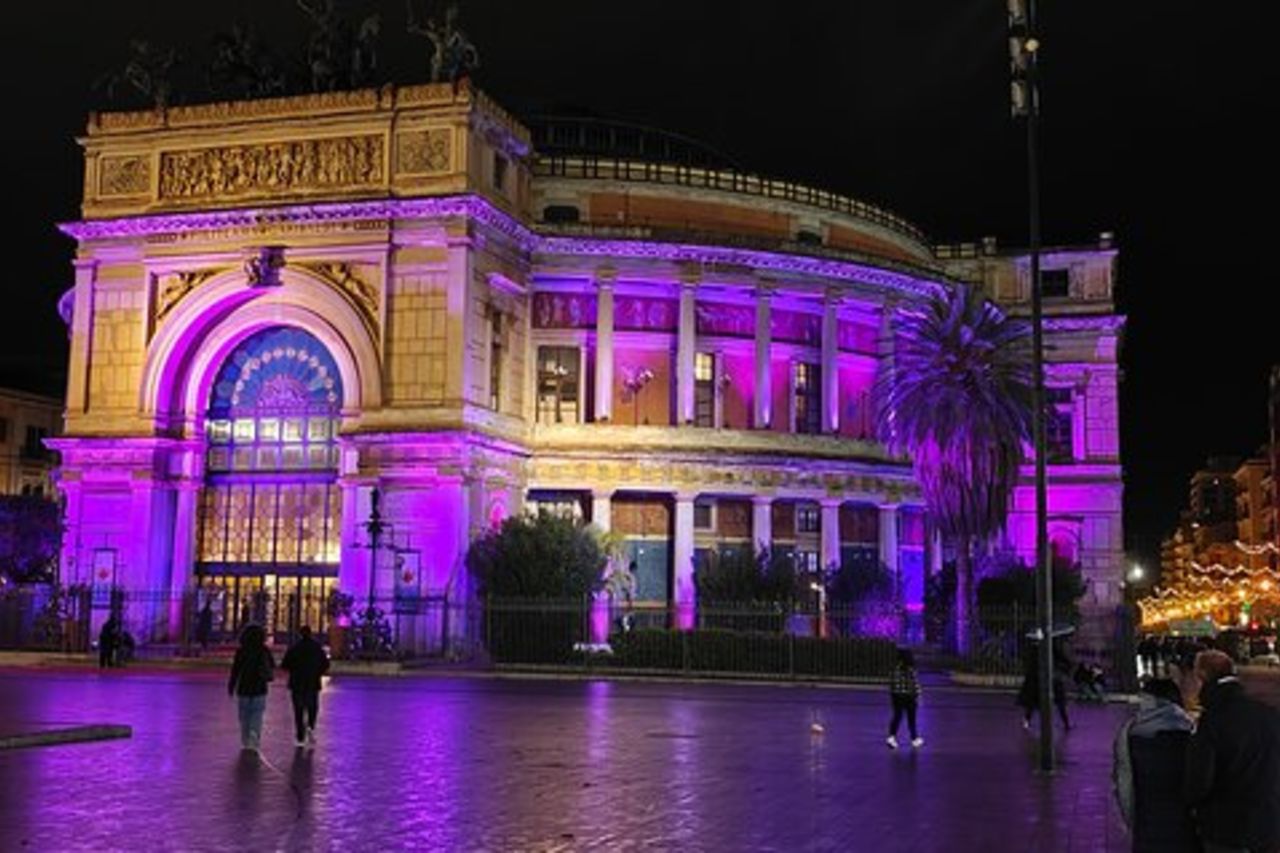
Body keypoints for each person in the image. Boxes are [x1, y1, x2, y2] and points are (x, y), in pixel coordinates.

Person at [1184, 650, 1280, 853]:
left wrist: (1192, 805)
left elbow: (1200, 779)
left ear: (1201, 675)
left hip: (1226, 827)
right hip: (1269, 822)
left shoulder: (1213, 719)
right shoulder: (1270, 714)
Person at [1112, 678, 1199, 852]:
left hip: (1146, 822)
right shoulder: (1191, 731)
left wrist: (1131, 819)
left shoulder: (1129, 733)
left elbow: (1123, 782)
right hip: (1185, 825)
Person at [227, 623, 275, 753]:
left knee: (244, 715)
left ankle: (245, 739)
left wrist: (231, 686)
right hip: (260, 687)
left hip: (244, 686)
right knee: (257, 714)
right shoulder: (264, 650)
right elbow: (272, 665)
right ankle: (255, 737)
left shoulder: (241, 651)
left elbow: (235, 670)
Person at [280, 626, 330, 748]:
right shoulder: (317, 648)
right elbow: (325, 664)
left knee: (298, 710)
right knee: (312, 707)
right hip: (312, 682)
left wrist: (294, 670)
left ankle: (300, 736)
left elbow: (285, 664)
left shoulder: (294, 648)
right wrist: (317, 672)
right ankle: (311, 727)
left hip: (297, 682)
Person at [1018, 640, 1072, 730]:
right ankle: (1065, 723)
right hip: (1047, 678)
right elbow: (1063, 660)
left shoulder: (1040, 648)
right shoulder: (1050, 647)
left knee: (1036, 701)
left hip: (1044, 678)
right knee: (1059, 701)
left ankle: (1065, 723)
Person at [886, 647, 923, 749]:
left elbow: (892, 684)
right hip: (910, 696)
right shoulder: (911, 669)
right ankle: (914, 739)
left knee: (897, 717)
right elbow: (915, 684)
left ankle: (891, 737)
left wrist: (893, 694)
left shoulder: (894, 669)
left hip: (897, 696)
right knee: (911, 719)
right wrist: (918, 696)